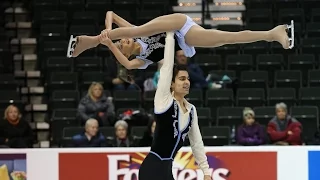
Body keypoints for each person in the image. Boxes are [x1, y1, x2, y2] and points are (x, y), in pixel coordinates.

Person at [67, 12, 294, 70]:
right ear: (126, 53)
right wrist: (108, 43)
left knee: (139, 28)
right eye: (119, 46)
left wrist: (106, 33)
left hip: (175, 23)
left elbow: (111, 13)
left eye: (119, 41)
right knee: (227, 38)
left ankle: (89, 41)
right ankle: (273, 33)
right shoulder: (143, 60)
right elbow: (126, 66)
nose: (121, 41)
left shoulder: (134, 33)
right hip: (185, 37)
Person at [138, 32, 211, 180]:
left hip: (167, 171)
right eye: (182, 79)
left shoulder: (191, 110)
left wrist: (206, 172)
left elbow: (196, 142)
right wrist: (170, 36)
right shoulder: (163, 100)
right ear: (171, 83)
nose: (187, 82)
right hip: (151, 169)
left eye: (188, 79)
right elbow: (167, 67)